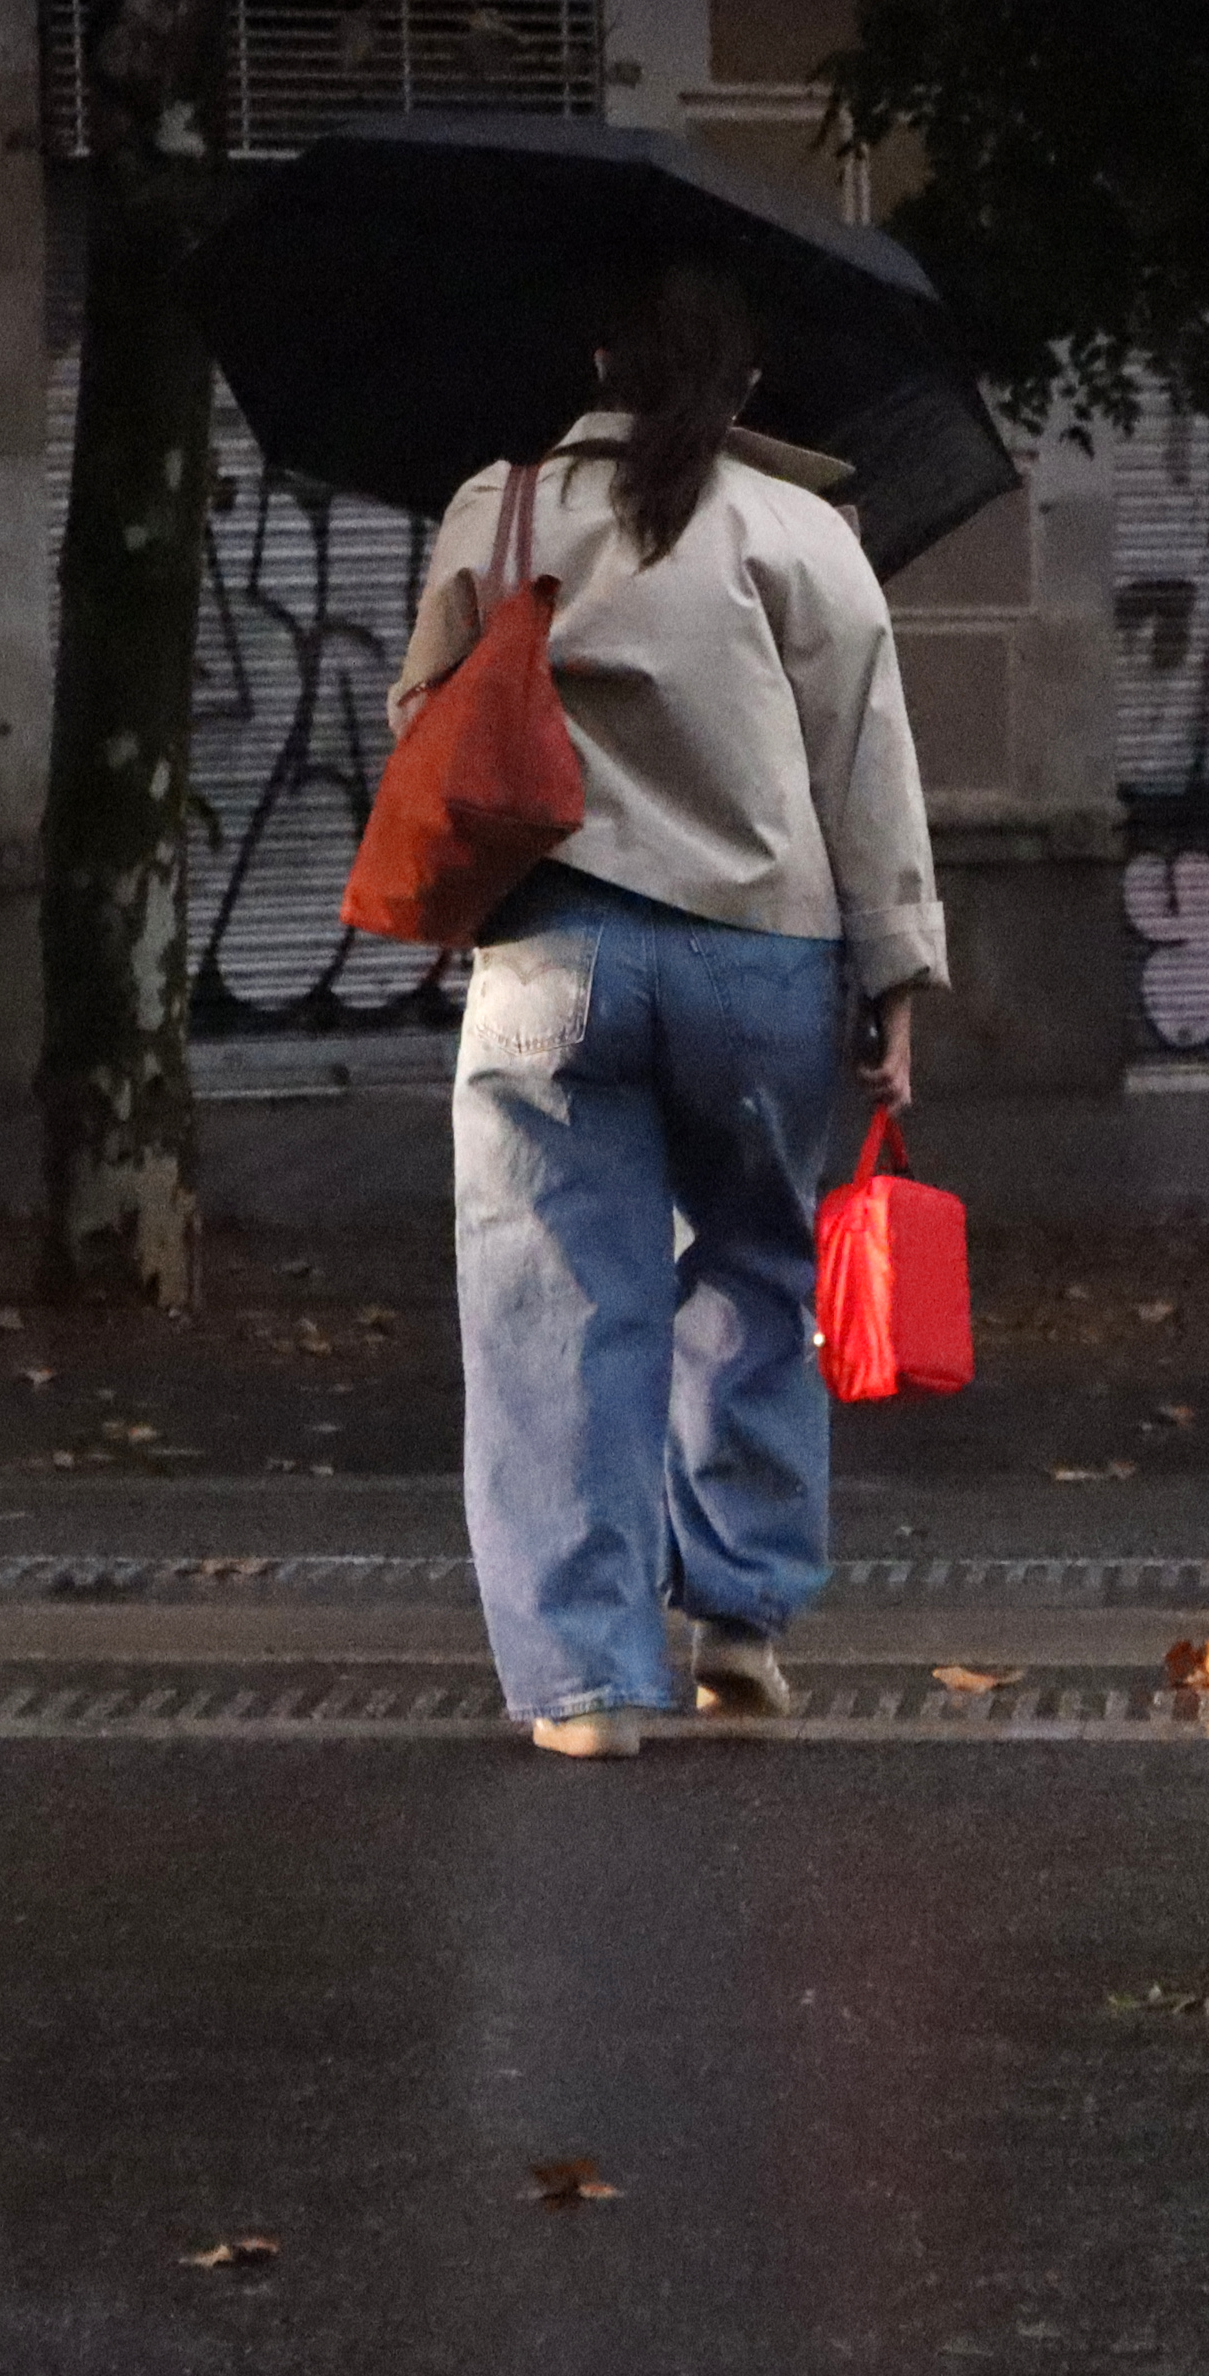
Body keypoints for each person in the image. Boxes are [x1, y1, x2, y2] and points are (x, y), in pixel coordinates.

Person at [391, 262, 945, 1760]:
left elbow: (425, 727)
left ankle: (582, 1685)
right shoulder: (804, 532)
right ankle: (743, 1624)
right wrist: (895, 972)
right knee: (756, 1274)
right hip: (762, 960)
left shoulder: (498, 510)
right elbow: (865, 764)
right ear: (747, 382)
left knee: (554, 1305)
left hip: (553, 960)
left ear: (595, 357)